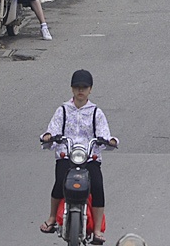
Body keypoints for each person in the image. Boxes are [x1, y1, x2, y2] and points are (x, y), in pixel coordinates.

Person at [40, 69, 118, 241]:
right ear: (72, 89)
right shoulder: (63, 110)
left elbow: (105, 133)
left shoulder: (96, 112)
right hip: (67, 155)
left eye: (84, 87)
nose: (80, 91)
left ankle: (97, 230)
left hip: (89, 156)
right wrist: (48, 136)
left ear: (90, 89)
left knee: (97, 186)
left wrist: (109, 140)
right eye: (77, 87)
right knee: (60, 181)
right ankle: (52, 218)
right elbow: (52, 129)